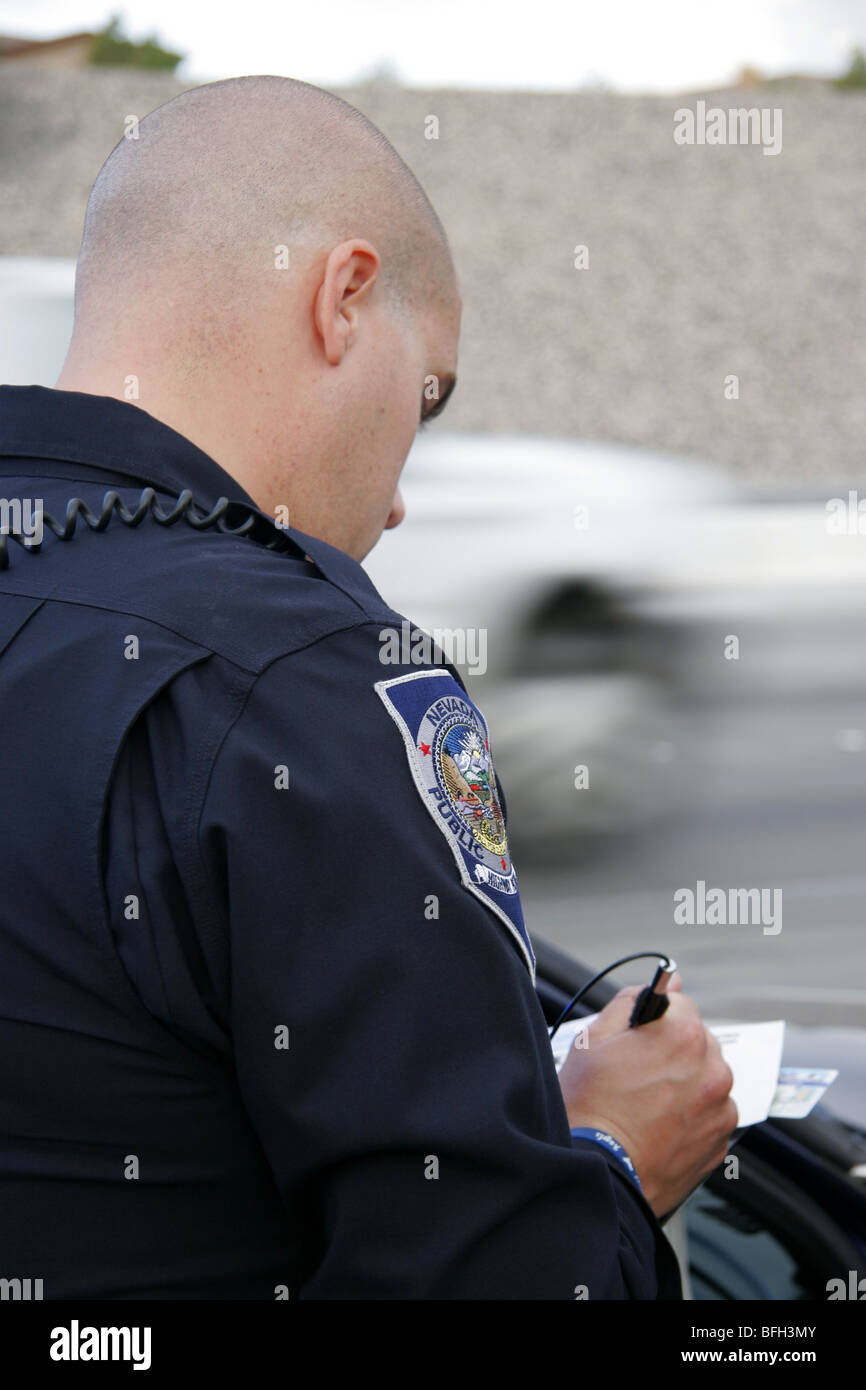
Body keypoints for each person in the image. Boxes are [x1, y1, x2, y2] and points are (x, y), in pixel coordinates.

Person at [0, 75, 736, 1300]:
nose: (399, 497)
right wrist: (613, 1153)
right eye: (428, 396)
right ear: (341, 297)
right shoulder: (301, 677)